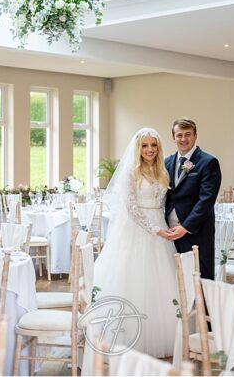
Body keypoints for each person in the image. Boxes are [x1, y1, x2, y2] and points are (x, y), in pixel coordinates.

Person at [94, 128, 178, 358]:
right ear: (138, 148)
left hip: (161, 228)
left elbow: (163, 204)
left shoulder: (162, 171)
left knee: (159, 281)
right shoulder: (132, 172)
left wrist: (166, 226)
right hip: (137, 230)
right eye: (145, 146)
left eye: (153, 145)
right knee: (133, 278)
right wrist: (154, 229)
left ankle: (161, 335)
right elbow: (130, 208)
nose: (149, 150)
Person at [164, 118, 222, 279]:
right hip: (169, 233)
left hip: (196, 232)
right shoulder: (167, 163)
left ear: (195, 136)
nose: (183, 139)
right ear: (173, 137)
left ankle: (203, 306)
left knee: (199, 277)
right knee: (174, 278)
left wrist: (185, 227)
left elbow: (206, 200)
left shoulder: (208, 162)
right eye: (179, 135)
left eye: (188, 134)